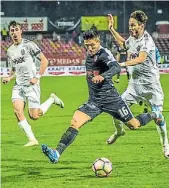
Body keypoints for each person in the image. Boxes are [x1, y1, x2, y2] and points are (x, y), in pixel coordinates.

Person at [41, 28, 163, 163]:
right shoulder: (89, 55)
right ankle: (57, 153)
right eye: (87, 46)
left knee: (134, 125)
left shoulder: (104, 54)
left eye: (92, 45)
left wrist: (103, 77)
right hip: (94, 101)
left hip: (112, 100)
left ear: (98, 42)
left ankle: (155, 114)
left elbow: (116, 67)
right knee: (75, 122)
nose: (90, 48)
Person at [107, 11, 169, 158]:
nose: (130, 28)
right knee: (116, 110)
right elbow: (124, 44)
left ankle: (165, 143)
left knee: (158, 118)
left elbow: (141, 58)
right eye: (129, 25)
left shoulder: (147, 41)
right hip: (134, 86)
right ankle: (119, 131)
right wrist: (111, 29)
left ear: (141, 26)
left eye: (133, 25)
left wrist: (121, 64)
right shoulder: (133, 38)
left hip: (151, 87)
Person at [2, 21, 64, 147]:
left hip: (31, 85)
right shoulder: (10, 51)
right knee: (17, 110)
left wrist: (37, 77)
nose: (14, 33)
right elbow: (14, 70)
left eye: (16, 30)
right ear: (10, 33)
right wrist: (9, 77)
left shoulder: (29, 45)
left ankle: (52, 99)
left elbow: (45, 61)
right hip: (18, 86)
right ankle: (32, 139)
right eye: (12, 30)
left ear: (21, 31)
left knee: (34, 115)